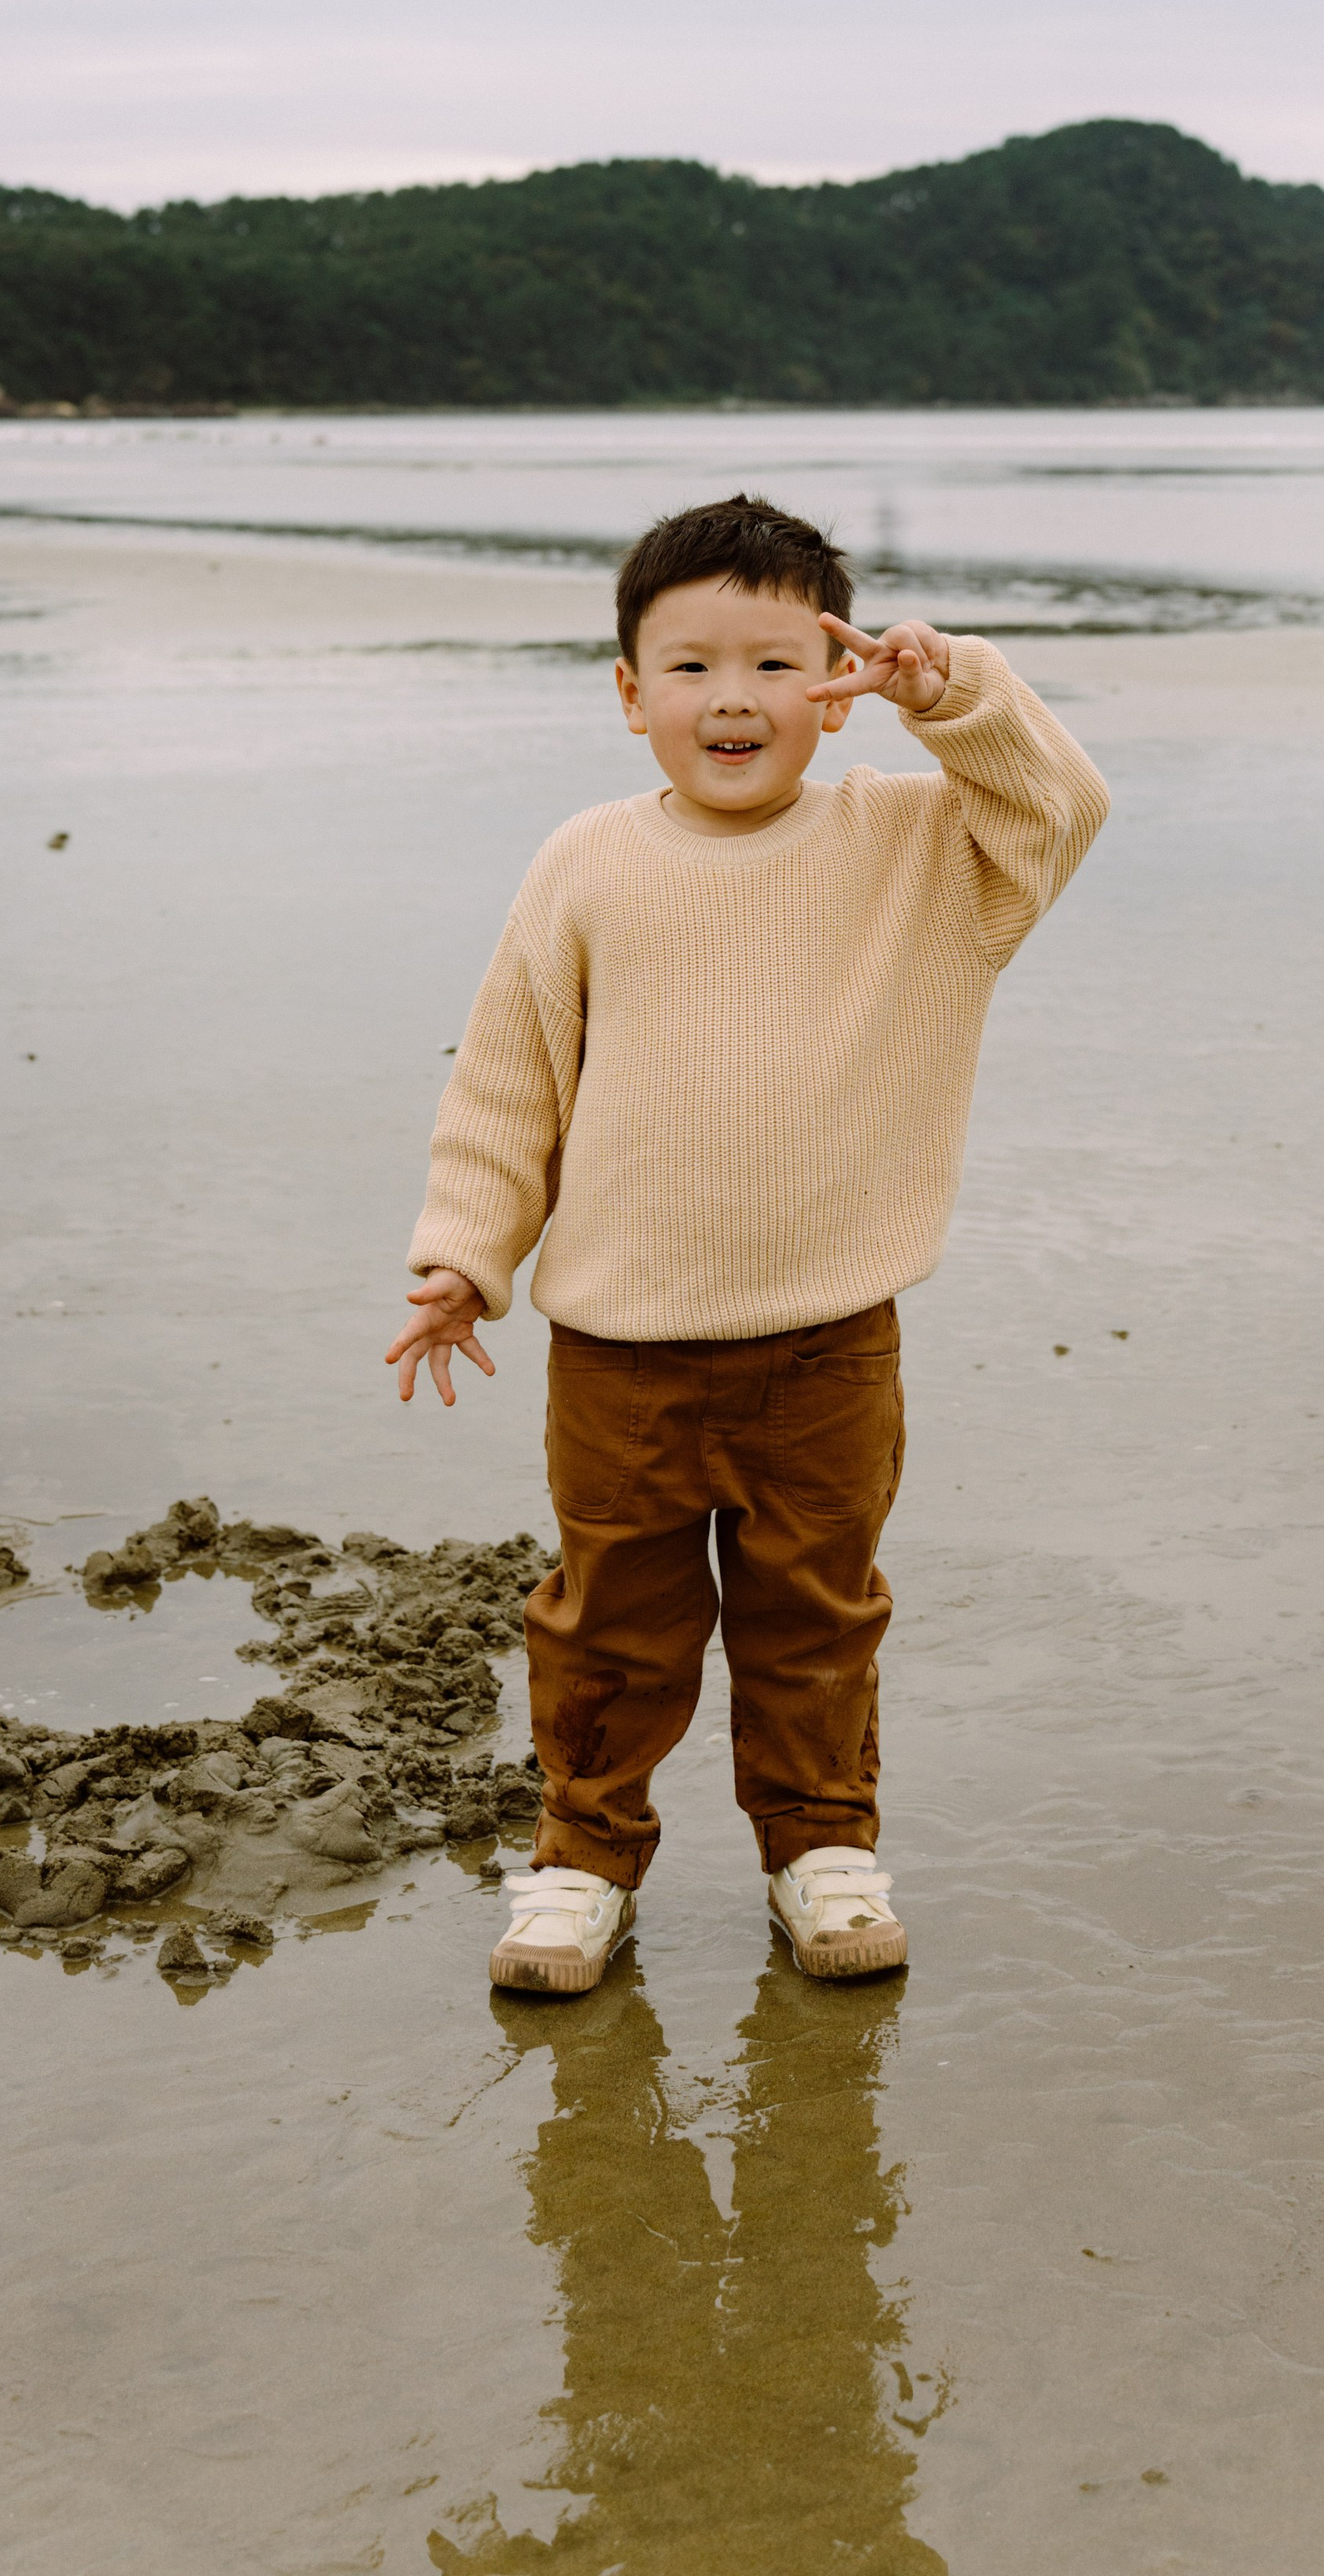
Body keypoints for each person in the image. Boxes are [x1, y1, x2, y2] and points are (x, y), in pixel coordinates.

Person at [387, 492, 1108, 1993]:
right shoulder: (586, 862)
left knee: (815, 1616)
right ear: (631, 693)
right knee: (612, 1626)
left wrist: (953, 691)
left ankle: (821, 1850)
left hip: (829, 1342)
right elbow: (510, 1074)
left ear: (836, 691)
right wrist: (467, 1251)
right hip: (619, 1345)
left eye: (781, 665)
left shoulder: (921, 850)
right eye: (696, 666)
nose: (736, 700)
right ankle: (583, 1859)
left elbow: (1060, 809)